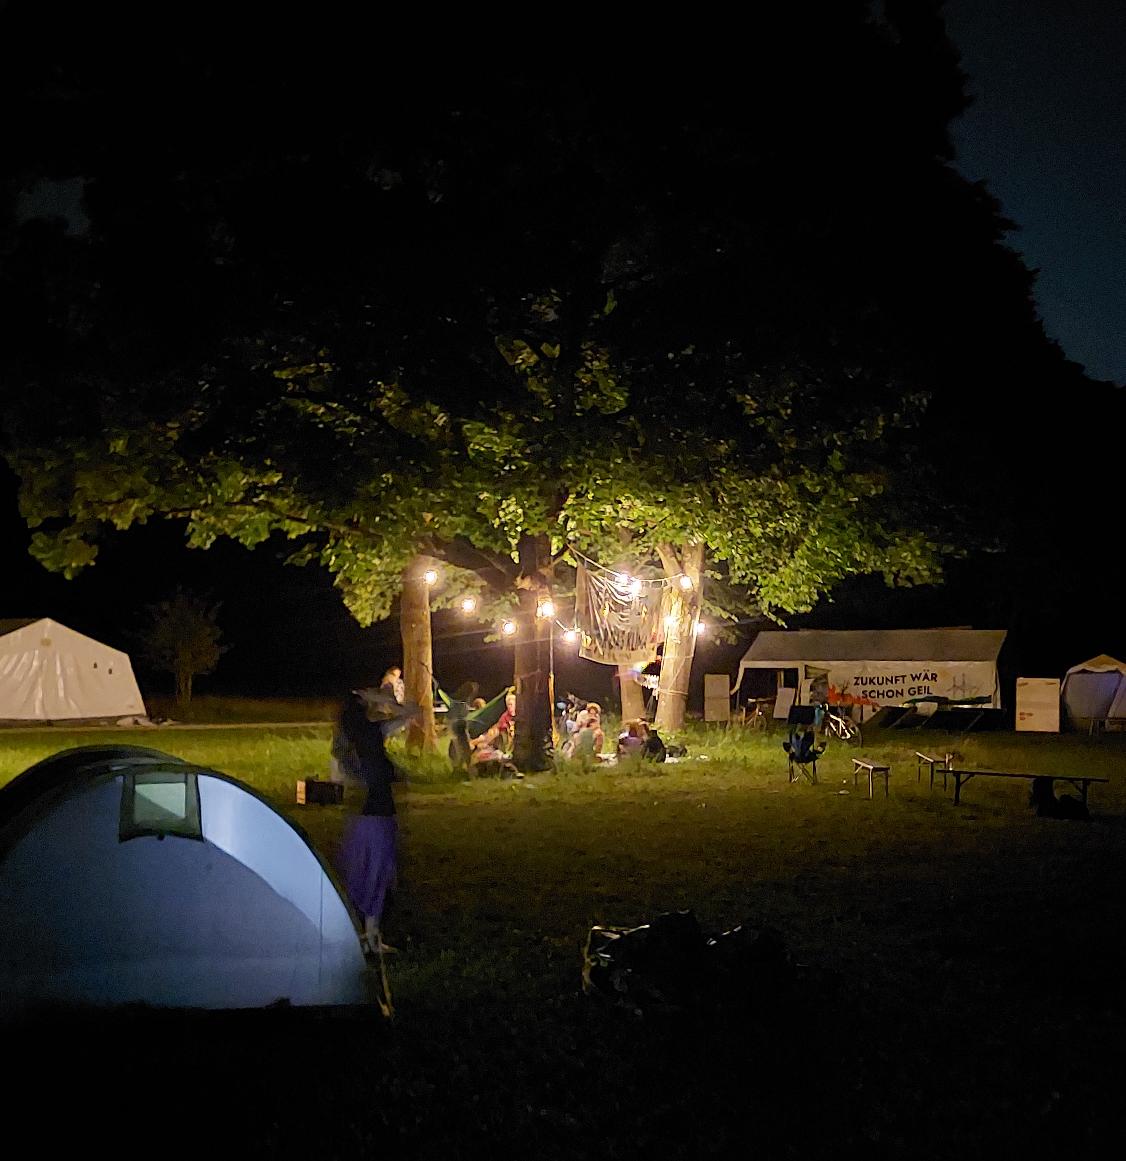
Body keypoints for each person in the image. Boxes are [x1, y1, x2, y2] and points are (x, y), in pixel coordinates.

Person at [337, 684, 409, 959]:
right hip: (377, 816)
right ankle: (371, 937)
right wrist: (382, 698)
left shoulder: (346, 744)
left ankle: (366, 935)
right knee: (377, 875)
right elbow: (410, 713)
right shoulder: (371, 735)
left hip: (360, 816)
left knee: (361, 874)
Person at [446, 680, 478, 773]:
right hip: (460, 729)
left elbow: (449, 717)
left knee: (456, 751)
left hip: (454, 729)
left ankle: (457, 770)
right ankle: (467, 772)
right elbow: (462, 718)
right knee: (465, 751)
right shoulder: (463, 705)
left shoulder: (454, 703)